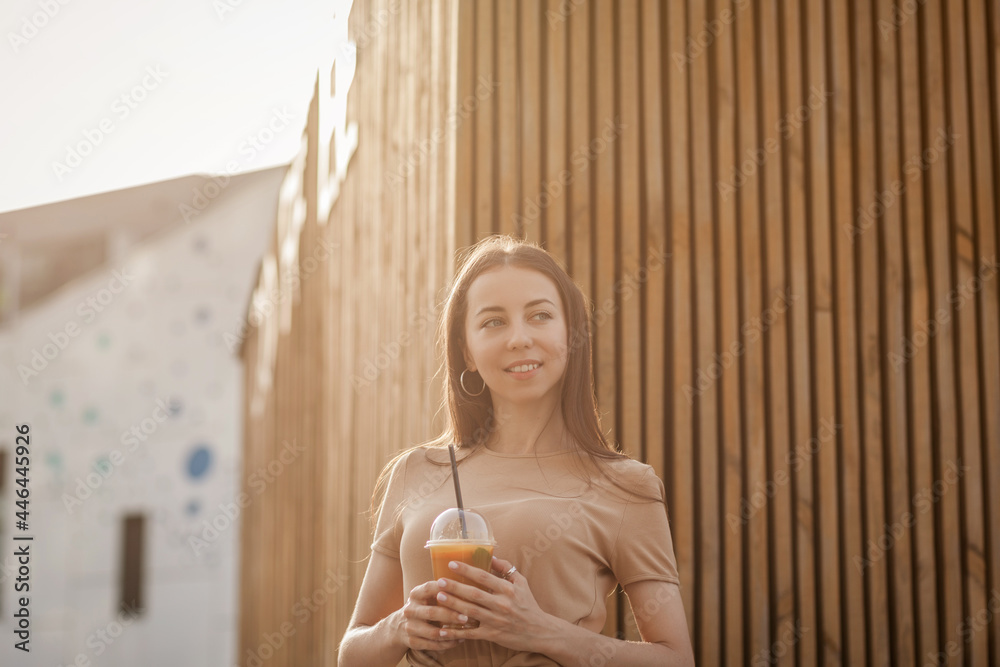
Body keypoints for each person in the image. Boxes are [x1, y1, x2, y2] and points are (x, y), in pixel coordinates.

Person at [338, 235, 694, 666]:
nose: (519, 338)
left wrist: (542, 631)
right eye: (493, 322)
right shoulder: (416, 471)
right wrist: (401, 626)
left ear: (571, 333)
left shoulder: (625, 486)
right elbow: (352, 654)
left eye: (540, 315)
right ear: (466, 350)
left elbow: (675, 659)